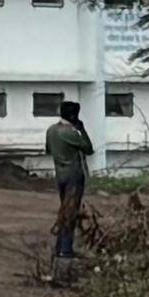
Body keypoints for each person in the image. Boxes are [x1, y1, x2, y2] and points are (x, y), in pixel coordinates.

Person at [46, 98, 97, 263]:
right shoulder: (70, 133)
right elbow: (89, 149)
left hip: (60, 174)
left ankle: (60, 247)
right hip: (73, 175)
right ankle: (66, 250)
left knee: (64, 209)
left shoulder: (51, 130)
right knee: (70, 212)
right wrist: (82, 129)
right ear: (74, 116)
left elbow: (48, 150)